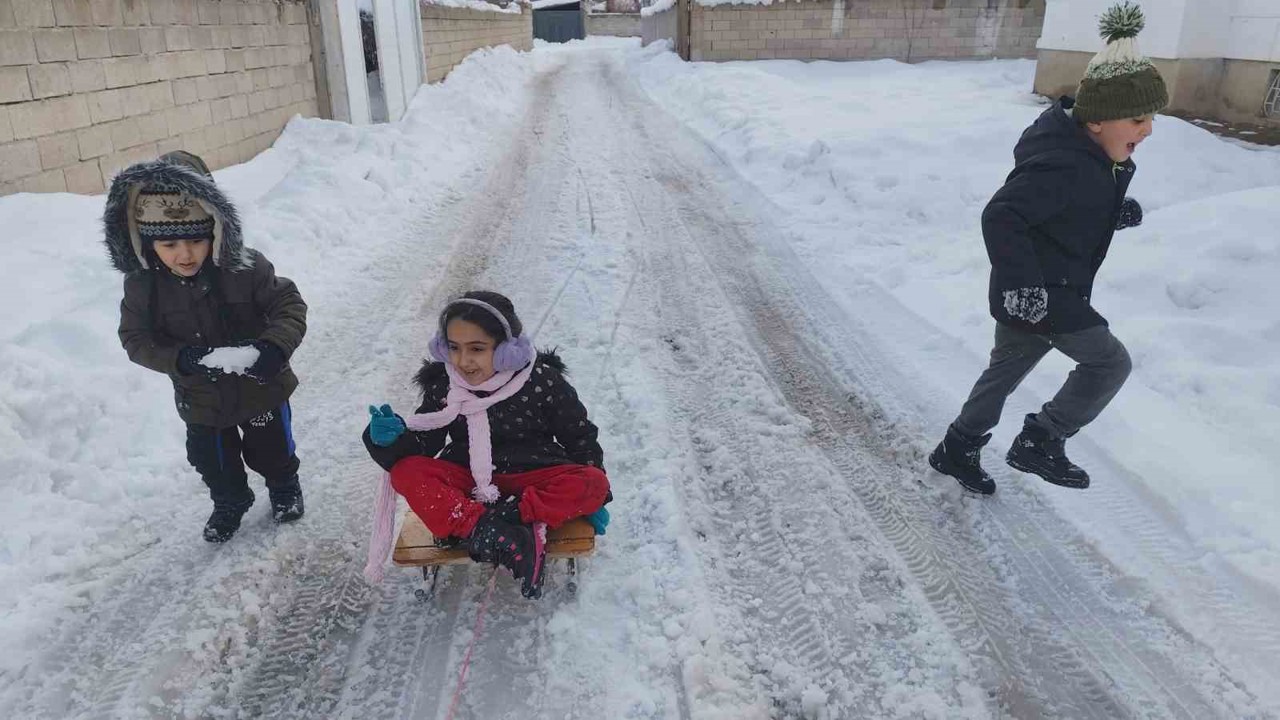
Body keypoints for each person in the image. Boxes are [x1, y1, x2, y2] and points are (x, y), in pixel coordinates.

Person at [929, 1, 1164, 495]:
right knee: (1108, 362)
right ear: (1098, 120)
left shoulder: (1092, 156)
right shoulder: (1066, 162)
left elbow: (1060, 211)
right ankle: (1042, 438)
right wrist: (1023, 287)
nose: (1147, 130)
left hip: (1042, 289)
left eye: (1150, 119)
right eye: (1138, 119)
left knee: (1004, 373)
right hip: (1042, 292)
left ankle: (957, 447)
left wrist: (1109, 214)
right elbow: (1003, 215)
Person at [107, 151, 308, 541]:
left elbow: (289, 304)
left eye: (196, 240)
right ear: (148, 244)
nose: (184, 254)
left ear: (216, 228)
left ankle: (284, 485)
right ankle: (230, 499)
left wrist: (274, 347)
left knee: (273, 448)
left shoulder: (247, 268)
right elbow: (135, 338)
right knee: (210, 458)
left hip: (260, 387)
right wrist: (180, 359)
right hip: (200, 395)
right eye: (169, 245)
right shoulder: (143, 286)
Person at [362, 291, 609, 598]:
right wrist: (392, 439)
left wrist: (595, 495)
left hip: (535, 475)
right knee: (406, 472)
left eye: (477, 349)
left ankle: (513, 518)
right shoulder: (445, 385)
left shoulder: (542, 381)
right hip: (470, 482)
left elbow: (579, 436)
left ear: (508, 351)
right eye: (453, 348)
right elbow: (424, 446)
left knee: (593, 482)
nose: (463, 361)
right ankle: (483, 529)